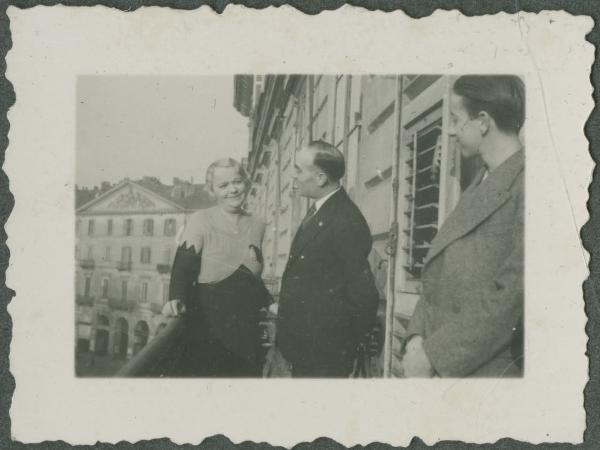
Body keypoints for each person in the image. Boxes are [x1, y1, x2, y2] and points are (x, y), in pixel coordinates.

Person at [403, 75, 525, 378]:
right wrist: (416, 337)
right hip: (444, 362)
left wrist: (434, 355)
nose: (450, 130)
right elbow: (440, 273)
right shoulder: (481, 181)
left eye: (456, 120)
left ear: (483, 121)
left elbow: (513, 292)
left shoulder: (528, 183)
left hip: (484, 371)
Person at [158, 158, 272, 377]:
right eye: (223, 185)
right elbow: (182, 270)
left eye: (237, 182)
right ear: (212, 190)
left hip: (247, 335)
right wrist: (175, 299)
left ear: (246, 183)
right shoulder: (200, 220)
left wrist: (270, 302)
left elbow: (249, 278)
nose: (232, 190)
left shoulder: (258, 224)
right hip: (209, 335)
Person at [275, 140, 379, 377]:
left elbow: (363, 294)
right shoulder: (322, 211)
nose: (294, 177)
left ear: (320, 178)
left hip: (325, 355)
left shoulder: (344, 219)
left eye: (299, 170)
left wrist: (345, 349)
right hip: (306, 349)